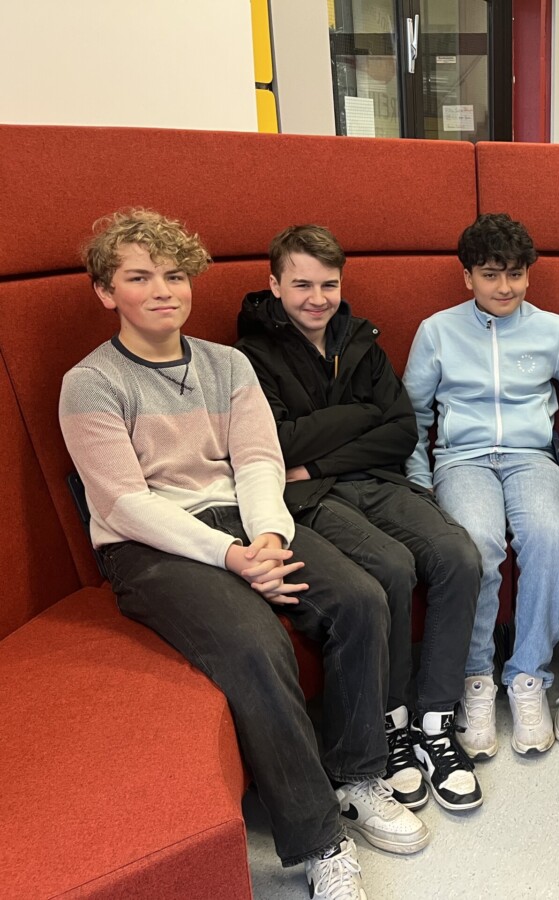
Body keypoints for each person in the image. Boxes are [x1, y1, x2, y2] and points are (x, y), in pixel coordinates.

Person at [60, 209, 427, 900]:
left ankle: (358, 775)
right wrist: (232, 557)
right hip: (150, 545)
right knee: (257, 642)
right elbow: (124, 504)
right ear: (106, 292)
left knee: (361, 597)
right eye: (139, 278)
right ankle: (320, 841)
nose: (163, 290)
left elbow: (259, 460)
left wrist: (268, 538)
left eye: (174, 275)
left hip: (247, 522)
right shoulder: (91, 382)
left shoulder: (227, 364)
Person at [235, 225, 483, 813]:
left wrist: (323, 452)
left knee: (459, 556)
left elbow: (400, 432)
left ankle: (434, 721)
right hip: (308, 498)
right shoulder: (249, 355)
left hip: (372, 480)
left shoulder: (361, 339)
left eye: (329, 284)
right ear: (274, 284)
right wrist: (359, 415)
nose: (317, 298)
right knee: (391, 567)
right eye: (302, 285)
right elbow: (278, 442)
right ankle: (391, 726)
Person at [402, 213, 559, 757]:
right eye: (490, 275)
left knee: (548, 537)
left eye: (515, 274)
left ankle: (528, 675)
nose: (504, 287)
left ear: (529, 274)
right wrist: (420, 483)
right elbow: (411, 416)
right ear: (468, 277)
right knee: (478, 544)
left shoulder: (554, 329)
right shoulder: (437, 331)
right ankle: (477, 678)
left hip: (533, 458)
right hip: (462, 460)